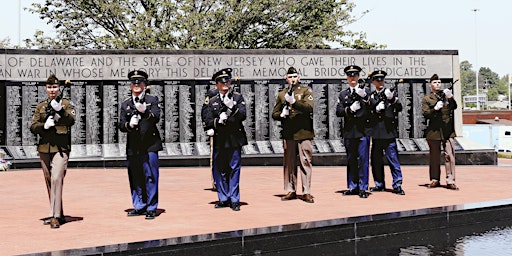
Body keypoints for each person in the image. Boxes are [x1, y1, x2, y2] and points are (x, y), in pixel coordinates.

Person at [30, 74, 76, 229]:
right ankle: (59, 213)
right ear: (46, 88)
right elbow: (33, 126)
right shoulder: (41, 106)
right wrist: (44, 126)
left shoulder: (66, 104)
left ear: (59, 88)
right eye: (49, 87)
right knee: (50, 181)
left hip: (60, 149)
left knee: (57, 178)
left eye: (55, 87)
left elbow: (71, 121)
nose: (52, 90)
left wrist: (60, 111)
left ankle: (54, 216)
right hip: (44, 147)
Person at [118, 70, 163, 219]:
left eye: (140, 83)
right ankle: (139, 205)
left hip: (149, 144)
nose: (137, 85)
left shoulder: (152, 99)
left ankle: (151, 207)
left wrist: (145, 112)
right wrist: (129, 125)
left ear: (145, 85)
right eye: (134, 83)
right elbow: (120, 124)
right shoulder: (126, 103)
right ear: (130, 86)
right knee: (135, 176)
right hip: (133, 145)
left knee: (150, 176)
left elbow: (156, 117)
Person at [203, 68, 248, 211]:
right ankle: (223, 197)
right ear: (216, 84)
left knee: (234, 169)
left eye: (227, 81)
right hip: (220, 138)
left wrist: (231, 106)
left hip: (234, 138)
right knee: (220, 169)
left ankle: (234, 199)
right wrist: (217, 120)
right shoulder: (213, 100)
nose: (225, 84)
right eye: (221, 82)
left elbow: (242, 115)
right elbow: (208, 119)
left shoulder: (237, 97)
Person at [271, 67, 315, 203]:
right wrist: (281, 115)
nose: (293, 79)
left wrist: (294, 102)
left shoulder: (306, 91)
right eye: (290, 77)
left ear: (299, 77)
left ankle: (306, 191)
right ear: (286, 79)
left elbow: (309, 108)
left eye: (295, 76)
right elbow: (274, 113)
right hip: (289, 133)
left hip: (304, 132)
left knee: (305, 161)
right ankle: (291, 189)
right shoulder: (282, 94)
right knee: (289, 163)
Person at [335, 65, 372, 198]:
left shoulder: (366, 92)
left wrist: (365, 98)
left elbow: (372, 109)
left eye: (355, 75)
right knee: (351, 160)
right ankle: (353, 186)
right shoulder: (343, 94)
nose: (352, 78)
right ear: (347, 77)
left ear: (358, 77)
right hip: (350, 131)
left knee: (363, 160)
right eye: (350, 75)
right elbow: (339, 111)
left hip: (363, 131)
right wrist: (350, 109)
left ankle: (363, 187)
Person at [368, 70, 405, 195]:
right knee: (376, 161)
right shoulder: (371, 96)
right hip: (376, 134)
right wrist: (375, 109)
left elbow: (399, 107)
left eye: (382, 80)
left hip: (389, 133)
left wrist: (392, 99)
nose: (380, 82)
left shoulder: (390, 94)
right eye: (377, 80)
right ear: (373, 82)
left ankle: (397, 184)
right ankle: (379, 184)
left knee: (393, 159)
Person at [421, 74, 458, 190]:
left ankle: (450, 180)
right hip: (434, 131)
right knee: (434, 157)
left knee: (449, 156)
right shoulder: (427, 99)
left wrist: (451, 98)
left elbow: (454, 107)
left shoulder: (446, 95)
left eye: (439, 82)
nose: (437, 84)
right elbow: (426, 114)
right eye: (435, 82)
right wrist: (435, 109)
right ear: (430, 85)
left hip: (447, 131)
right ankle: (434, 179)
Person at [201, 86, 219, 192]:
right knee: (214, 158)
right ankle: (216, 182)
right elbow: (205, 115)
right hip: (214, 131)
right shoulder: (209, 102)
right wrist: (208, 128)